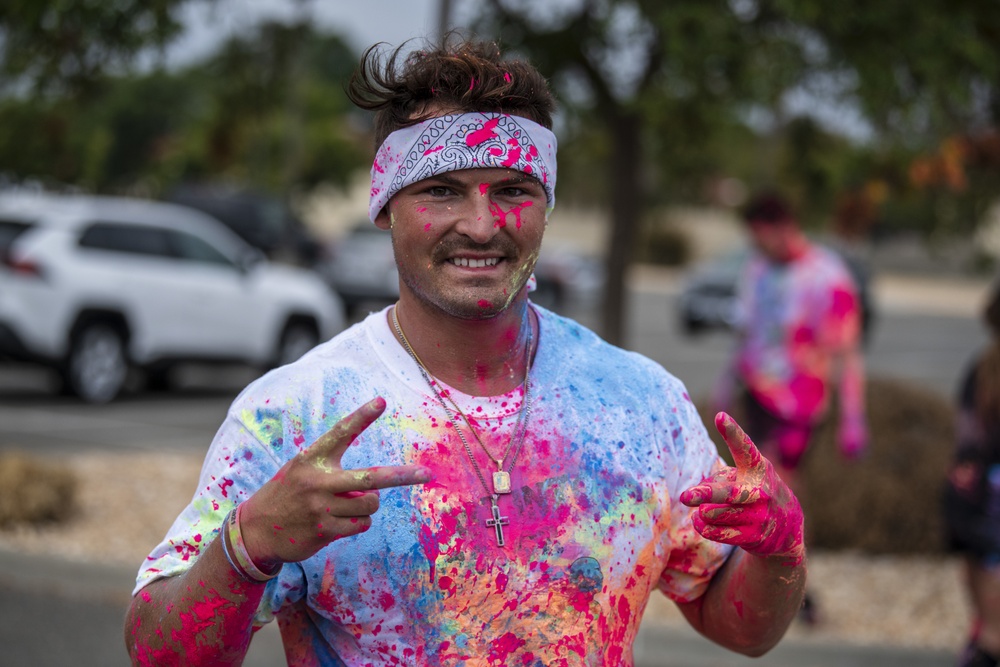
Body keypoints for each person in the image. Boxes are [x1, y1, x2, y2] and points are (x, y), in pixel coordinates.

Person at [124, 39, 806, 666]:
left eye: (512, 190)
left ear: (545, 204)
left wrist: (779, 548)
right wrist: (247, 547)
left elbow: (740, 627)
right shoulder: (298, 414)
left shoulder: (641, 403)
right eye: (442, 190)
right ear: (386, 204)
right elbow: (159, 652)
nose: (481, 226)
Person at [711, 192, 867, 624]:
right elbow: (745, 334)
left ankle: (793, 585)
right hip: (757, 394)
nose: (757, 247)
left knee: (781, 490)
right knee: (753, 489)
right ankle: (761, 581)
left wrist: (853, 419)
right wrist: (725, 384)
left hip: (800, 402)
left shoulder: (826, 276)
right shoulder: (757, 269)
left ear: (782, 228)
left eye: (761, 238)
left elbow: (846, 353)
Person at [943, 283, 1000, 667]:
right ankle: (989, 636)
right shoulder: (986, 367)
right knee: (983, 559)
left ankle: (989, 635)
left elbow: (967, 432)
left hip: (982, 482)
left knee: (981, 560)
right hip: (986, 484)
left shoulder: (985, 365)